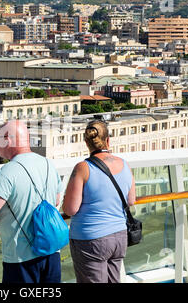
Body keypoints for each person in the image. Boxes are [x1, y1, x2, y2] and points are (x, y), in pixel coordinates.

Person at [0, 120, 64, 283]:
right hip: (51, 251)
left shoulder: (7, 171)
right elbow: (55, 201)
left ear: (8, 139)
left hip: (20, 257)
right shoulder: (48, 163)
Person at [62, 120, 136, 283]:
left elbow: (70, 209)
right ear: (108, 140)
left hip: (91, 239)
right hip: (119, 236)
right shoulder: (124, 164)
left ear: (86, 143)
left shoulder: (83, 168)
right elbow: (131, 200)